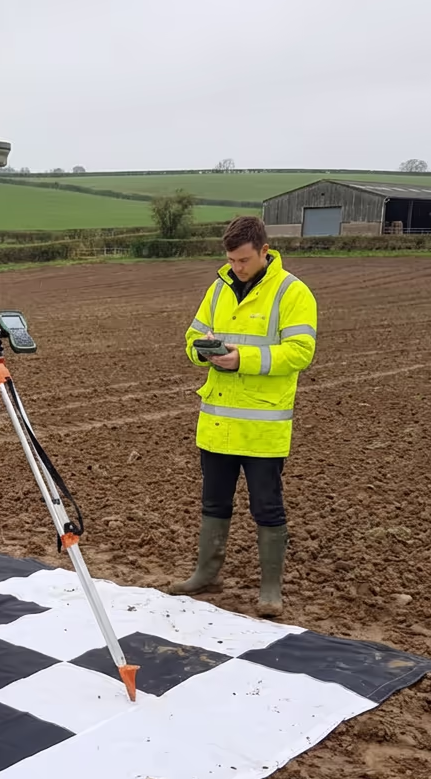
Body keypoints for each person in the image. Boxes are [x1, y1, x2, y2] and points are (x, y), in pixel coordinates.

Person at [168, 215, 317, 617]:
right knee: (213, 502)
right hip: (217, 421)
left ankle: (270, 591)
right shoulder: (218, 289)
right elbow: (190, 338)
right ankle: (206, 573)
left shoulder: (292, 293)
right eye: (232, 260)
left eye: (244, 260)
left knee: (266, 507)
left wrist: (243, 359)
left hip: (263, 426)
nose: (237, 267)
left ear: (265, 251)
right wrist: (203, 350)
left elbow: (301, 351)